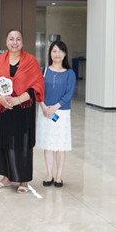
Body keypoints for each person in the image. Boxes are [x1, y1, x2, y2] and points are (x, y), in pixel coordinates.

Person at [0, 29, 44, 194]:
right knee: (4, 143)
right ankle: (6, 177)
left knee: (22, 143)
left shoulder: (30, 61)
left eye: (18, 39)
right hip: (3, 109)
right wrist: (0, 99)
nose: (14, 42)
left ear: (22, 42)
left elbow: (37, 85)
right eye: (11, 39)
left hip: (23, 109)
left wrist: (18, 99)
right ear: (6, 42)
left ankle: (23, 180)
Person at [37, 40, 76, 188]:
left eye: (60, 51)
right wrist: (44, 106)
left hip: (62, 113)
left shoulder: (70, 73)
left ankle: (59, 176)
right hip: (45, 111)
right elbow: (38, 91)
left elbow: (69, 93)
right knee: (48, 145)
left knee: (60, 146)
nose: (57, 54)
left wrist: (55, 107)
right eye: (54, 51)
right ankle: (49, 174)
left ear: (65, 54)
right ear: (50, 53)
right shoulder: (43, 71)